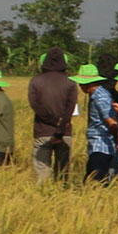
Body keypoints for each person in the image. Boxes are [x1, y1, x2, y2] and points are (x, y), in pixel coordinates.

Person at [27, 53, 77, 181]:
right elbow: (70, 108)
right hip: (64, 132)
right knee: (63, 172)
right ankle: (63, 191)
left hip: (42, 131)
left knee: (42, 172)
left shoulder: (35, 81)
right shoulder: (70, 82)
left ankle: (43, 193)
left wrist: (52, 121)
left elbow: (35, 105)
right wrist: (61, 126)